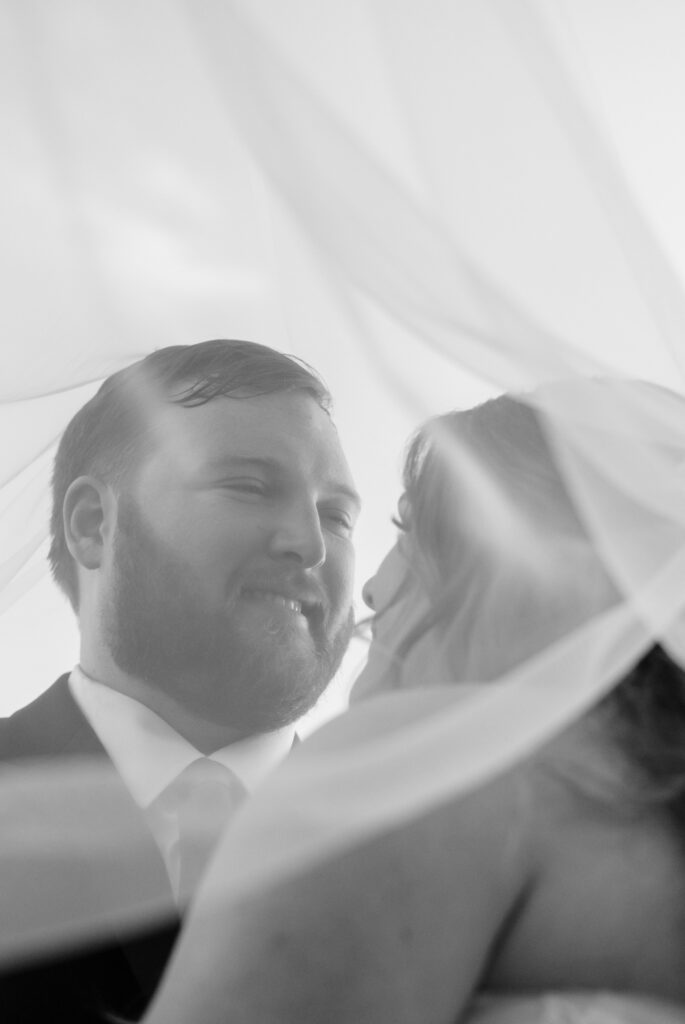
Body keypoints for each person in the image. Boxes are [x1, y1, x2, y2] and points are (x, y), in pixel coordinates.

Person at [146, 384, 685, 1024]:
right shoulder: (649, 821)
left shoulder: (419, 774)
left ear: (529, 567)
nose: (371, 587)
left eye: (412, 531)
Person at [0, 338, 360, 1023]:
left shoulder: (417, 845)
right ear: (92, 523)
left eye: (337, 515)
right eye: (249, 486)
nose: (310, 544)